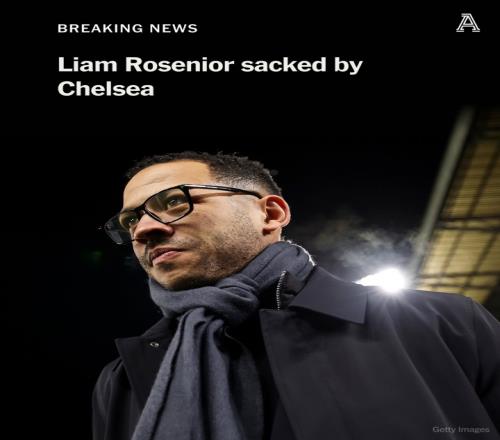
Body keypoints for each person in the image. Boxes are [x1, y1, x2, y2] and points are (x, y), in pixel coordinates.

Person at [92, 151, 500, 440]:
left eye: (173, 202)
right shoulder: (123, 378)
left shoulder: (443, 325)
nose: (144, 230)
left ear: (270, 214)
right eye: (131, 220)